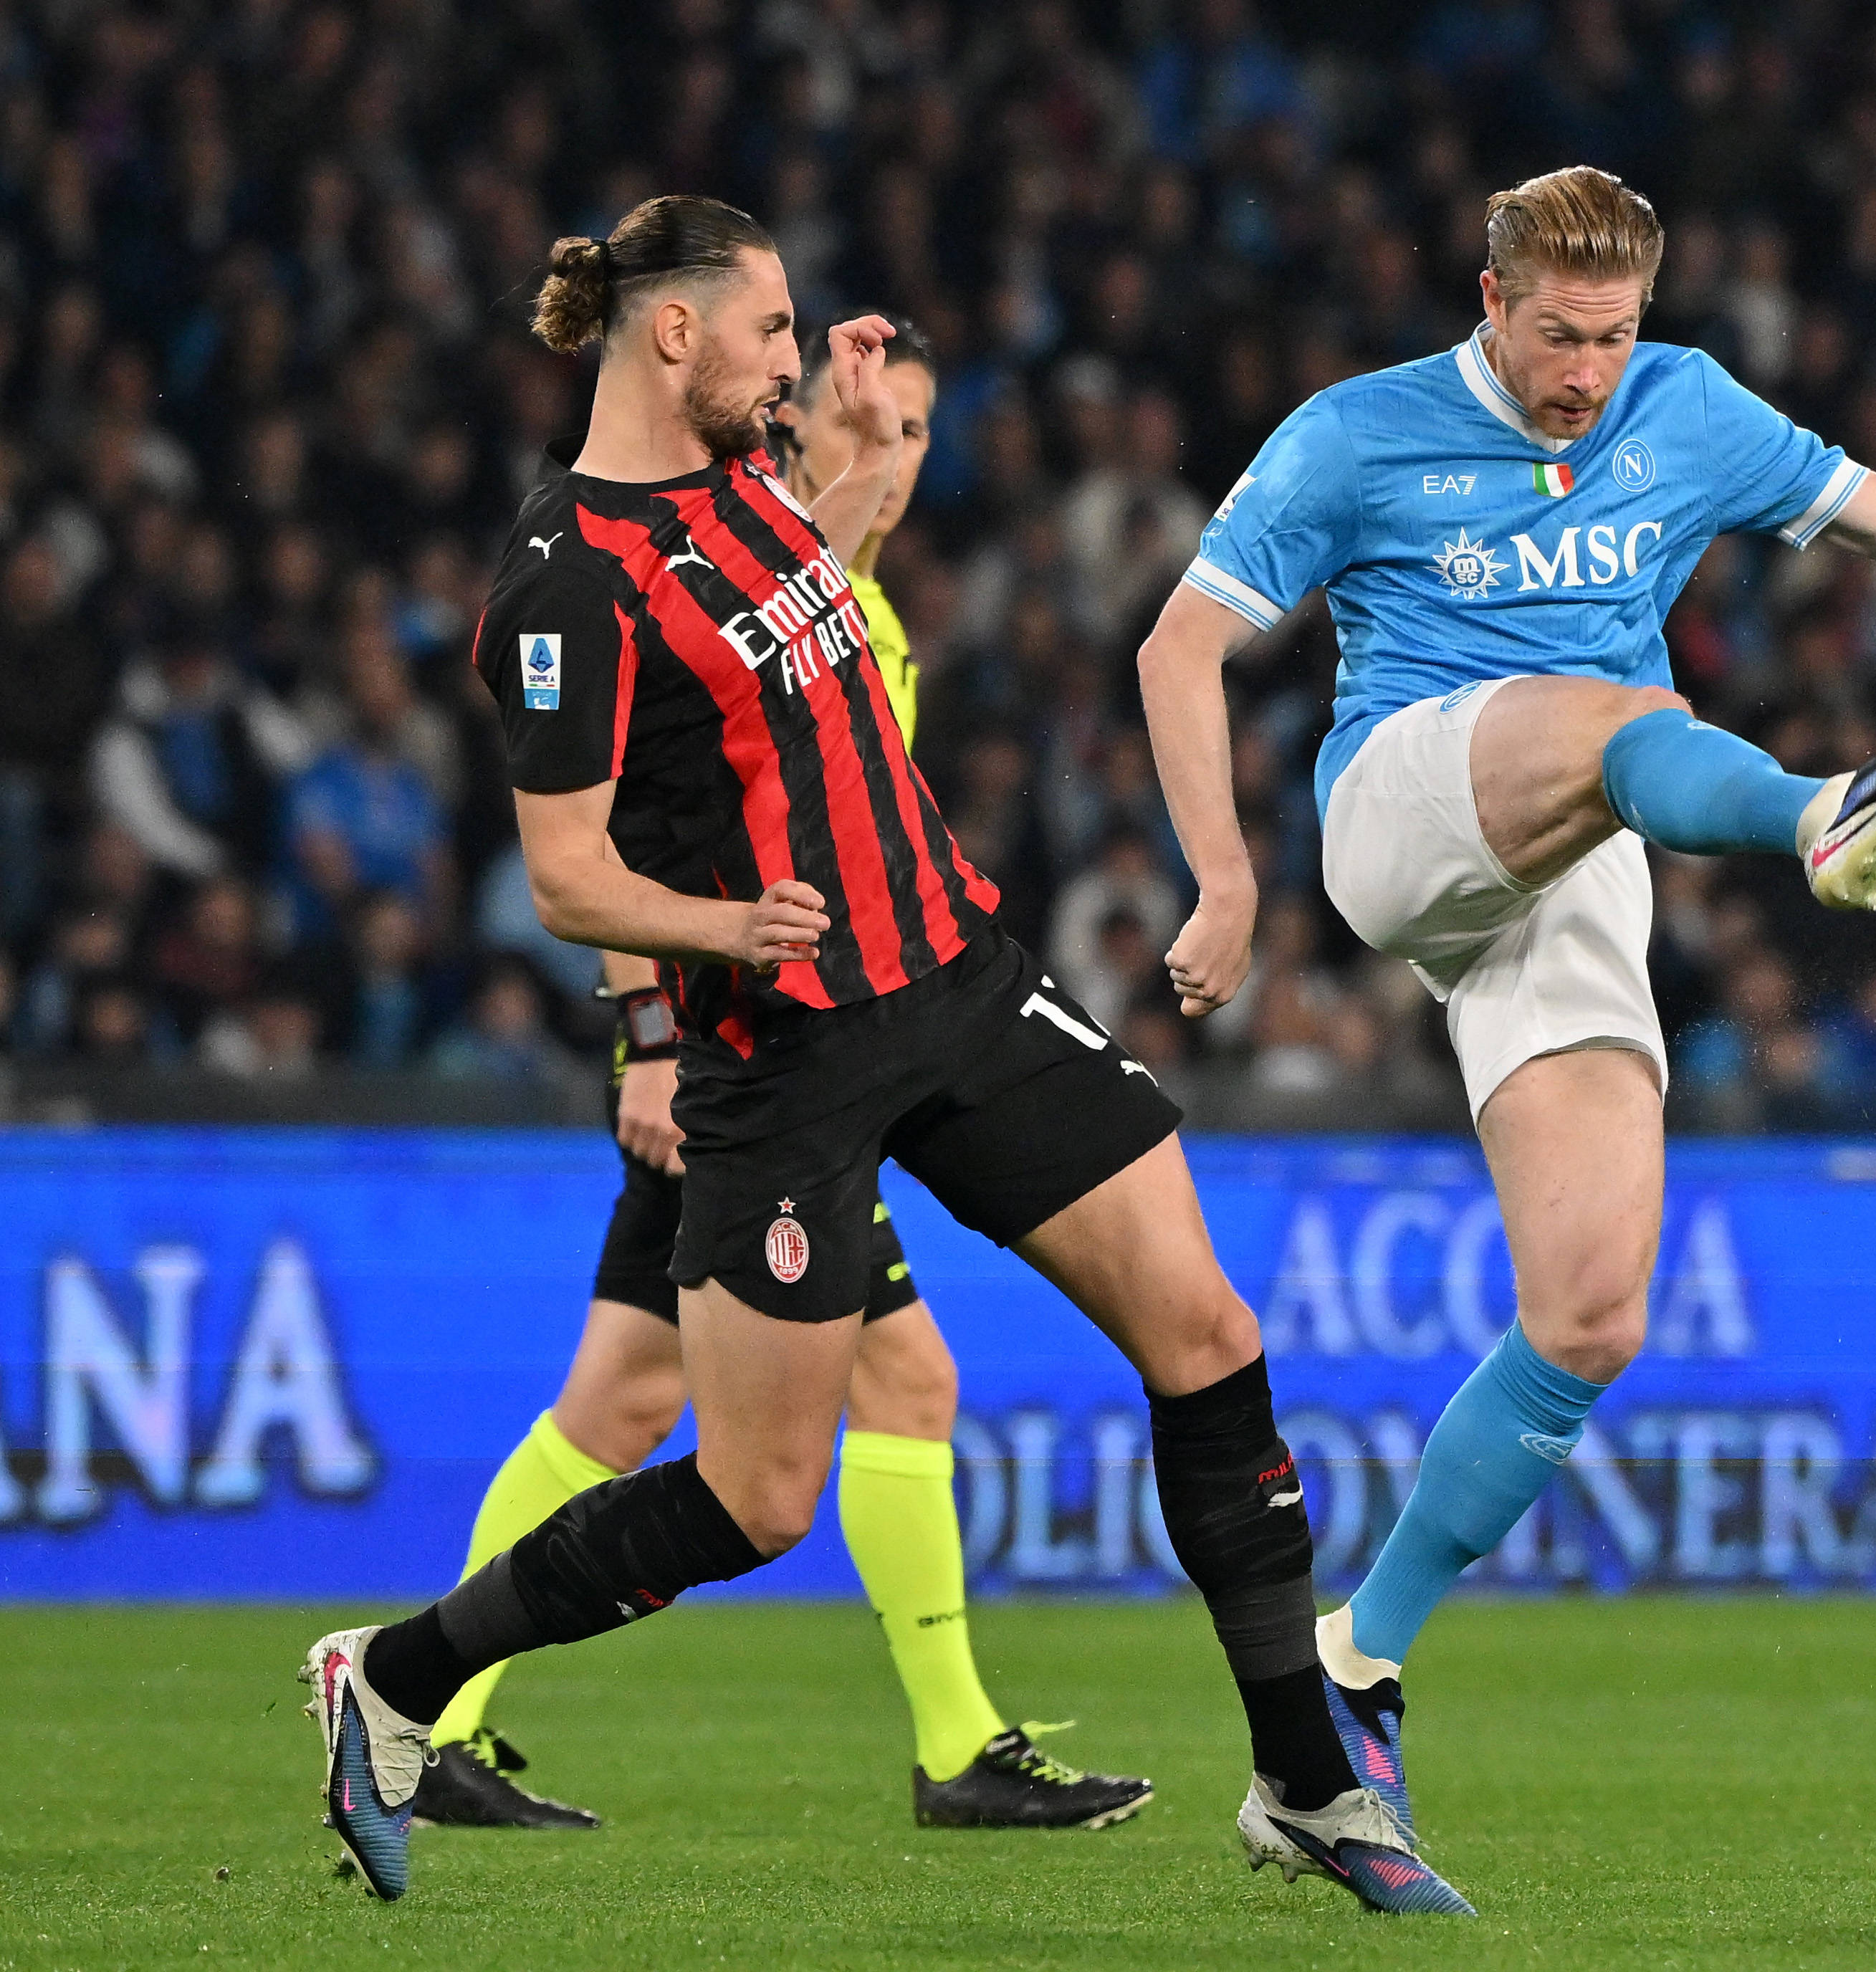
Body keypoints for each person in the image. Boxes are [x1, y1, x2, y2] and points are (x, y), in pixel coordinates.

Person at [297, 194, 1468, 1917]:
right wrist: (719, 935)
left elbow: (791, 622)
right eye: (772, 327)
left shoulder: (743, 486)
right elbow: (563, 873)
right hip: (786, 1054)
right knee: (755, 1496)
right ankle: (395, 1680)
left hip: (960, 979)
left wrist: (847, 454)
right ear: (674, 332)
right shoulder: (565, 577)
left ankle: (1307, 1779)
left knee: (1210, 1336)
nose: (793, 353)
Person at [1136, 166, 1876, 1879]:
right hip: (1410, 800)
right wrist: (1224, 875)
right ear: (1490, 301)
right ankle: (1817, 812)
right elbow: (1179, 644)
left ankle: (1351, 1672)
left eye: (1614, 334)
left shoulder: (1689, 405)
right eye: (1558, 335)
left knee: (1591, 1311)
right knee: (1618, 706)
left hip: (1582, 850)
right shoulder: (1358, 434)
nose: (1587, 370)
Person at [410, 318, 1150, 1836]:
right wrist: (647, 1041)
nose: (898, 452)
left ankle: (438, 1716)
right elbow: (634, 823)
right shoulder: (730, 592)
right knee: (750, 1401)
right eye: (871, 420)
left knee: (642, 1396)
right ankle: (432, 1705)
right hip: (736, 1064)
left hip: (815, 1057)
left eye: (922, 429)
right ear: (788, 420)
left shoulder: (851, 607)